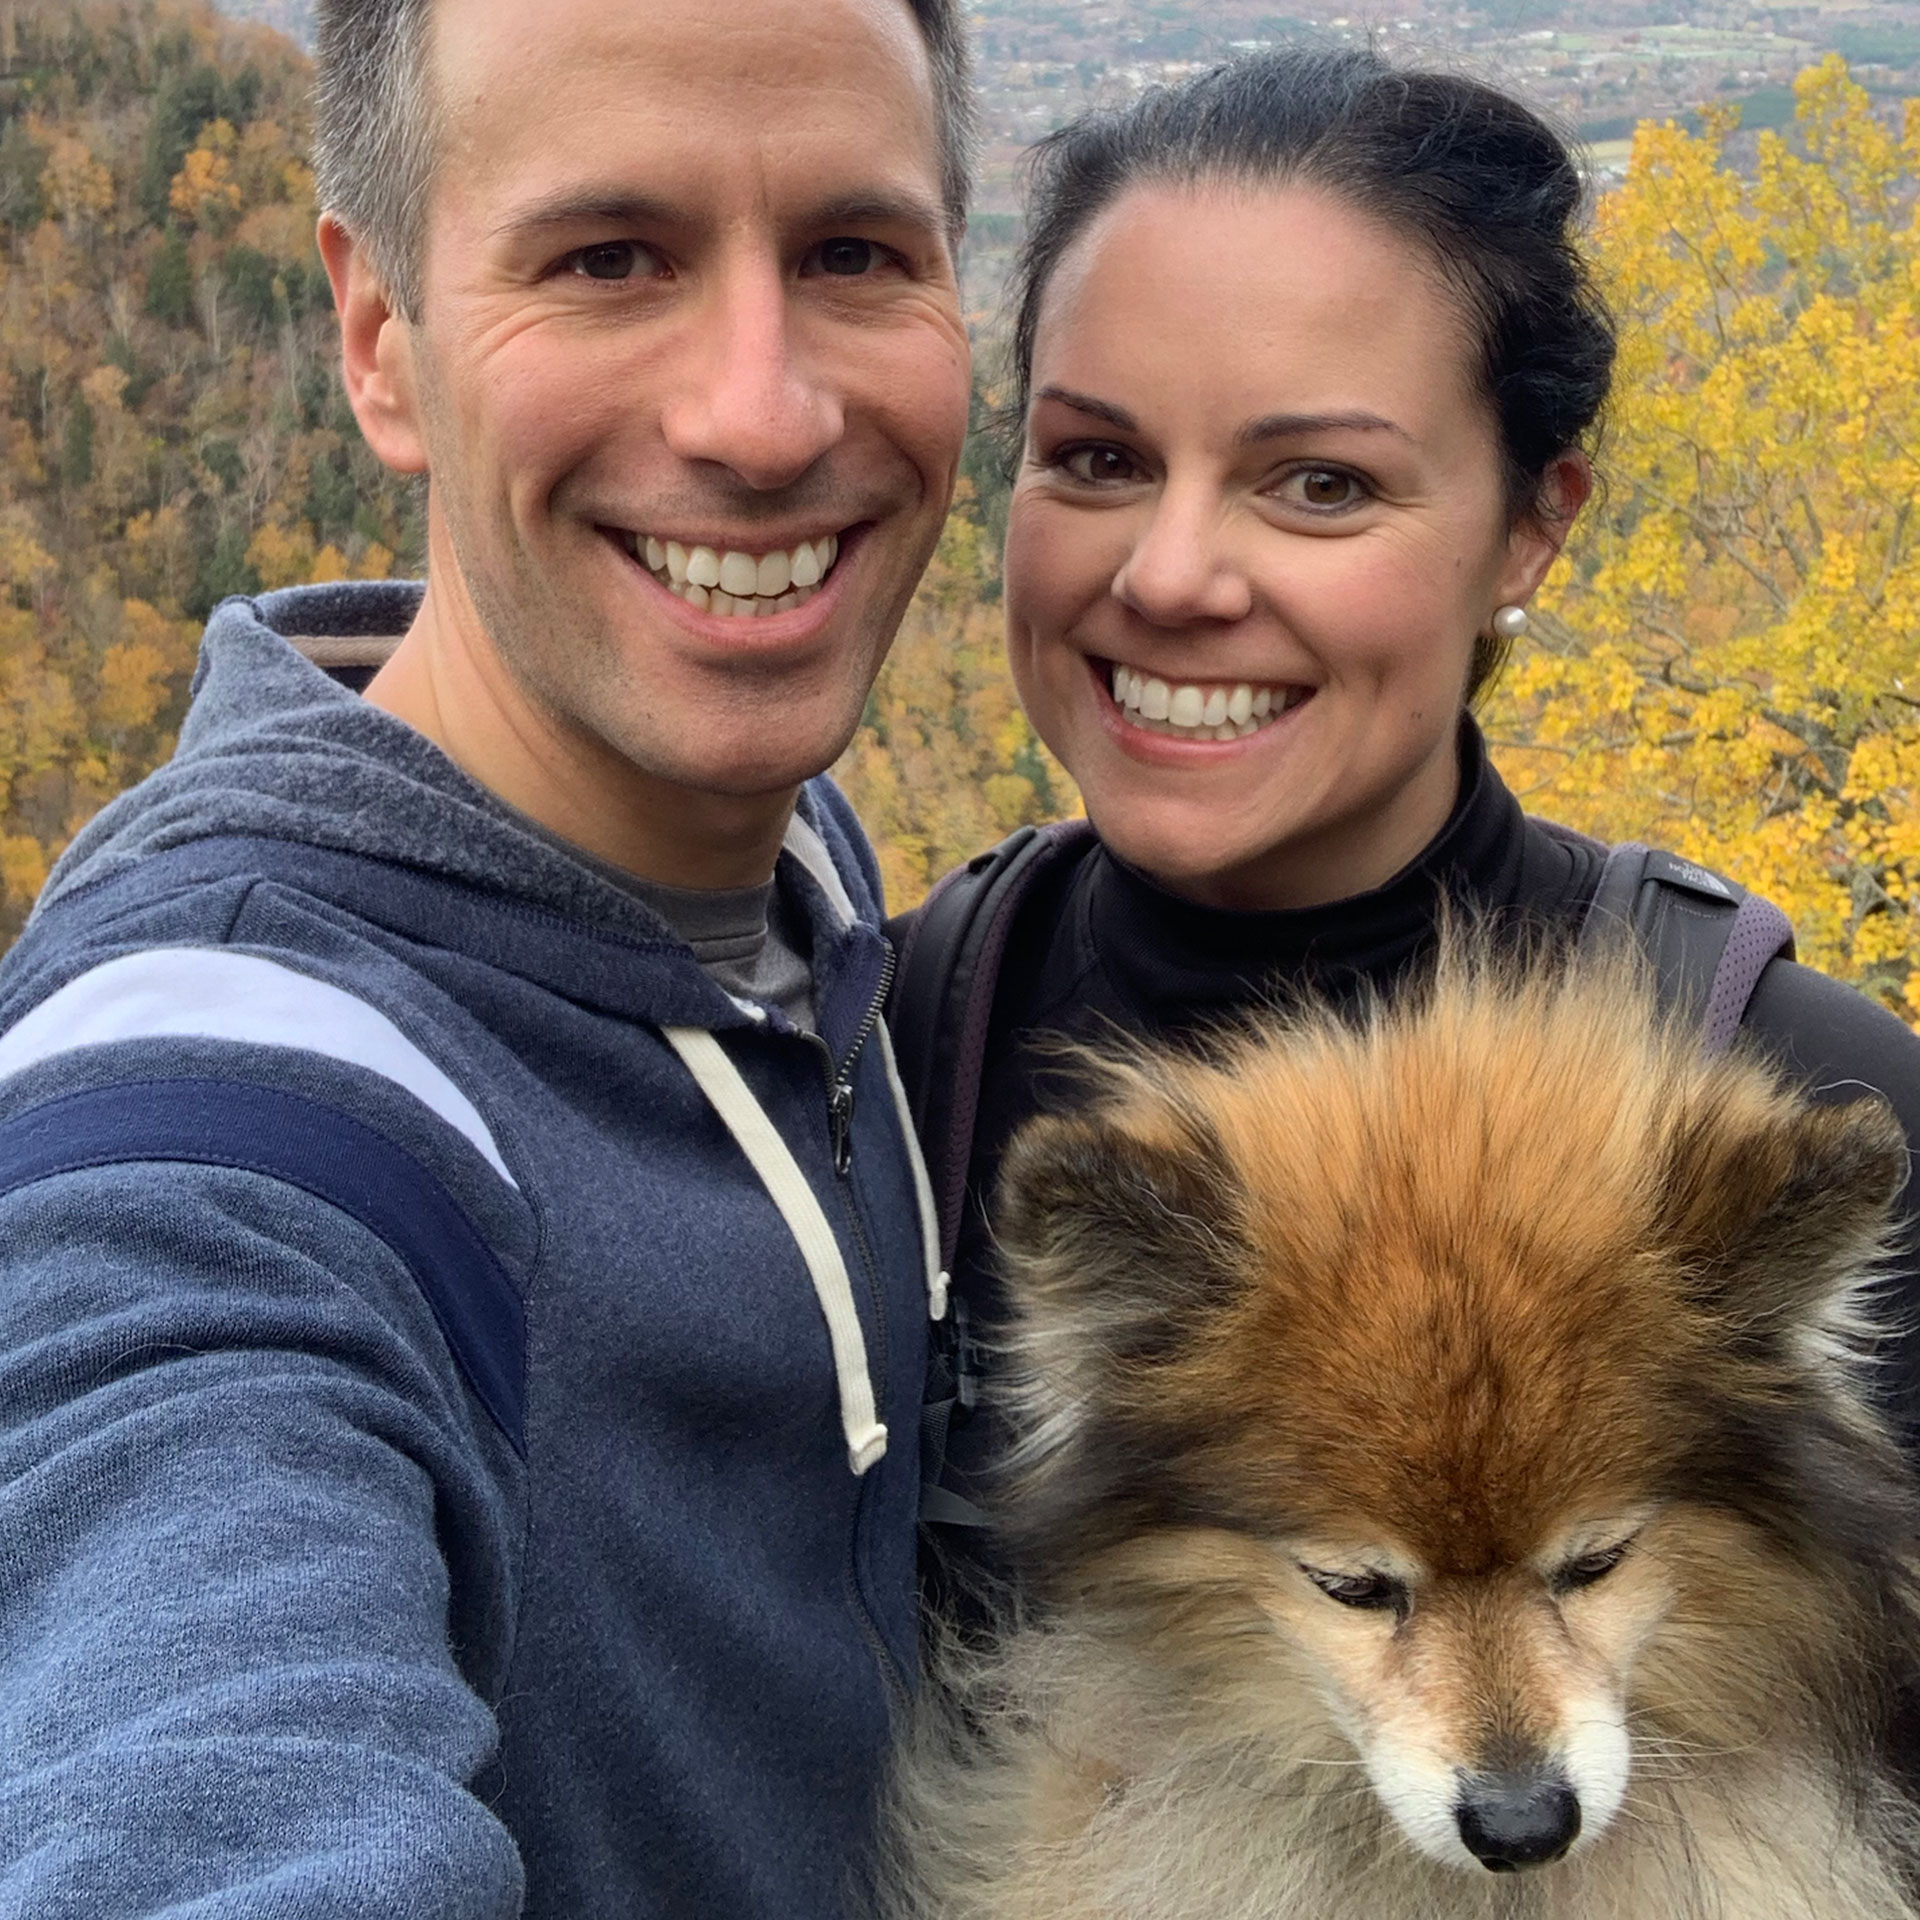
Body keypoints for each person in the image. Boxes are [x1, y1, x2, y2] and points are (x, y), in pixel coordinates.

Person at [0, 0, 972, 1914]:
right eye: (609, 261)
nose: (762, 414)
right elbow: (199, 1761)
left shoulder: (806, 893)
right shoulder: (229, 1112)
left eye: (856, 254)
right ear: (384, 345)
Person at [894, 47, 1920, 1541]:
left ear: (1527, 531)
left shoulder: (1784, 1122)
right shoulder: (902, 1044)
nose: (1169, 576)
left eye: (1320, 483)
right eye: (1097, 457)